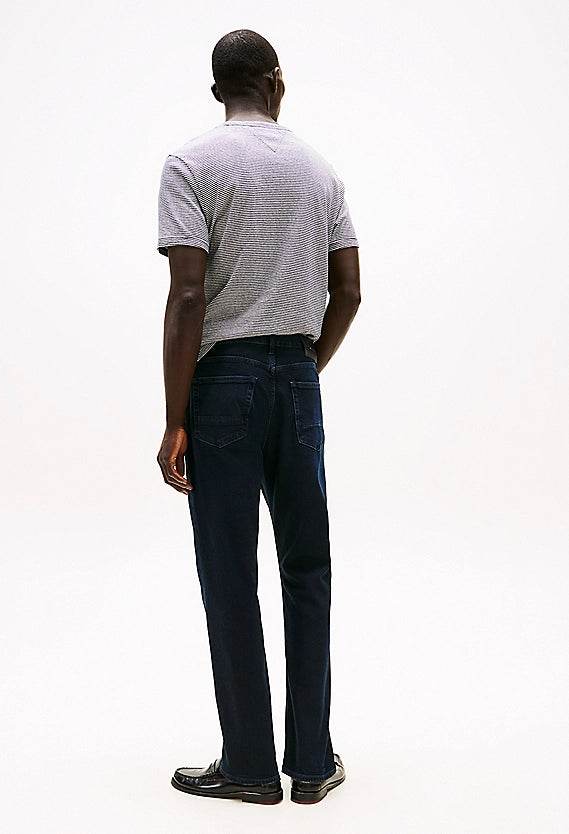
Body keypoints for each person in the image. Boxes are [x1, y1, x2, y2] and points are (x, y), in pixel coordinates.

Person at [156, 29, 361, 805]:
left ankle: (246, 767)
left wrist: (175, 417)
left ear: (218, 91)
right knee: (307, 569)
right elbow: (349, 291)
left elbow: (187, 295)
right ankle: (310, 764)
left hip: (221, 386)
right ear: (276, 80)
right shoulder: (319, 170)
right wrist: (306, 367)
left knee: (229, 572)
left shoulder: (190, 163)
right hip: (297, 381)